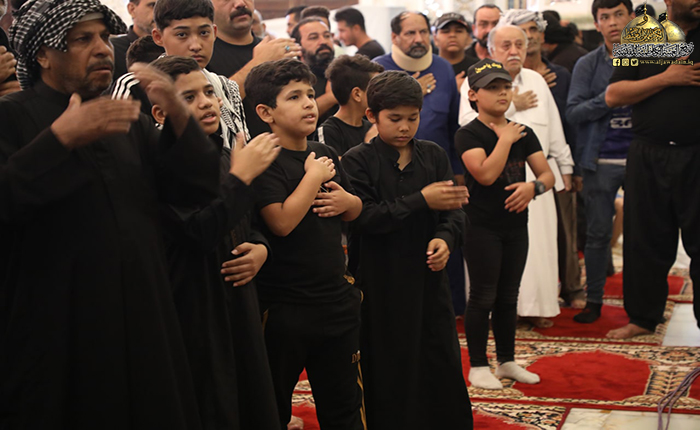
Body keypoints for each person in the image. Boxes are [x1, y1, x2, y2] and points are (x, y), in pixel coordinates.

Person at [1, 0, 221, 427]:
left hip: (144, 314)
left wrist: (178, 114)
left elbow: (194, 190)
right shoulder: (12, 117)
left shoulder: (127, 118)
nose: (103, 49)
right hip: (59, 327)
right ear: (43, 55)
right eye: (83, 39)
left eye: (103, 37)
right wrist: (59, 139)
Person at [149, 55, 281, 430]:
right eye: (189, 97)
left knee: (250, 395)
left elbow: (249, 221)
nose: (207, 103)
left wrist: (261, 248)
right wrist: (241, 178)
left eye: (209, 92)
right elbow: (198, 233)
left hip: (239, 300)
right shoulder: (157, 166)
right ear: (160, 112)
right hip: (194, 304)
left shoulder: (223, 155)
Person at [342, 70, 473, 429]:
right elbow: (363, 218)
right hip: (380, 281)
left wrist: (445, 239)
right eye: (395, 118)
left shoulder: (433, 155)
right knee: (388, 364)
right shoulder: (357, 160)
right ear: (372, 115)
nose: (404, 127)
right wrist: (420, 200)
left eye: (412, 118)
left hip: (427, 280)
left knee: (438, 359)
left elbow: (454, 213)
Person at [245, 58, 364, 430]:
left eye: (310, 95)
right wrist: (312, 177)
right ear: (266, 112)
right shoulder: (264, 159)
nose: (309, 104)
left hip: (334, 298)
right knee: (270, 404)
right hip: (285, 305)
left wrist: (349, 202)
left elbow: (353, 209)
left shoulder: (324, 153)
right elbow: (280, 223)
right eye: (294, 97)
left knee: (344, 404)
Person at [459, 24, 575, 328]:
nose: (514, 51)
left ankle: (537, 307)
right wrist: (513, 109)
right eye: (506, 45)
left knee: (538, 252)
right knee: (487, 281)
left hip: (532, 188)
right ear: (490, 50)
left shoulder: (536, 80)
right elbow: (472, 127)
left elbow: (554, 127)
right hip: (489, 198)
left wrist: (562, 169)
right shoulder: (473, 85)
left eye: (519, 45)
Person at [457, 58, 554, 389]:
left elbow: (547, 175)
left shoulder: (522, 132)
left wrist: (533, 188)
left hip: (515, 225)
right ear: (473, 94)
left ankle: (507, 361)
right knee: (482, 295)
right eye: (493, 88)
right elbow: (485, 175)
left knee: (508, 295)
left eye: (505, 86)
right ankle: (478, 365)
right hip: (481, 226)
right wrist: (505, 140)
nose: (502, 93)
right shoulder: (468, 134)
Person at [605, 0, 700, 338]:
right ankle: (642, 319)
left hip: (696, 155)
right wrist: (667, 77)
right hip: (648, 155)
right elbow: (614, 94)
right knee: (644, 240)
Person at [373, 11, 466, 321]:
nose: (418, 39)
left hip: (438, 167)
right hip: (392, 172)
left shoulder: (443, 67)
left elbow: (453, 125)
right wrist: (413, 90)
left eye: (423, 32)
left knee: (445, 234)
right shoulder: (379, 67)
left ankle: (453, 307)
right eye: (410, 33)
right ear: (395, 37)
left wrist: (457, 172)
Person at [502, 9, 584, 311]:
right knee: (516, 242)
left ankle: (557, 296)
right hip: (504, 171)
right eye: (511, 40)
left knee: (555, 238)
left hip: (547, 169)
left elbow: (562, 125)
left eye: (531, 32)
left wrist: (568, 167)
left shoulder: (552, 76)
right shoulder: (485, 80)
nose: (525, 40)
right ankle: (516, 305)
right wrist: (513, 101)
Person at [566, 0, 634, 323]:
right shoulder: (588, 64)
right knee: (596, 235)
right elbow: (574, 112)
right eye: (605, 17)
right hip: (599, 158)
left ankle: (642, 305)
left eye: (619, 14)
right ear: (596, 24)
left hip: (642, 157)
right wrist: (608, 99)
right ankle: (593, 301)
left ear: (632, 18)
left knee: (646, 235)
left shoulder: (652, 58)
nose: (613, 22)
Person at [112, 0, 249, 150]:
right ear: (158, 37)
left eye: (204, 33)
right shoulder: (136, 86)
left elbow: (242, 147)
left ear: (214, 32)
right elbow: (121, 150)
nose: (196, 46)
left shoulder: (226, 87)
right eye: (182, 34)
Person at [318, 54, 383, 156]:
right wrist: (367, 146)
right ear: (357, 94)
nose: (382, 94)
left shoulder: (372, 127)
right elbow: (336, 165)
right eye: (376, 89)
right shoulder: (328, 131)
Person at [291, 17, 338, 125]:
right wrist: (331, 97)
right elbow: (295, 120)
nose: (323, 41)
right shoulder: (292, 79)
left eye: (327, 36)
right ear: (298, 46)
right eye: (313, 38)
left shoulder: (345, 69)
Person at [111, 0, 157, 79]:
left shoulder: (173, 47)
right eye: (152, 5)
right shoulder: (113, 49)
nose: (160, 12)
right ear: (132, 9)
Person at [433, 12, 479, 91]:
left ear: (468, 37)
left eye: (458, 31)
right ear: (435, 38)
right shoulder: (426, 68)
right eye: (446, 31)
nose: (452, 35)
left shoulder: (478, 68)